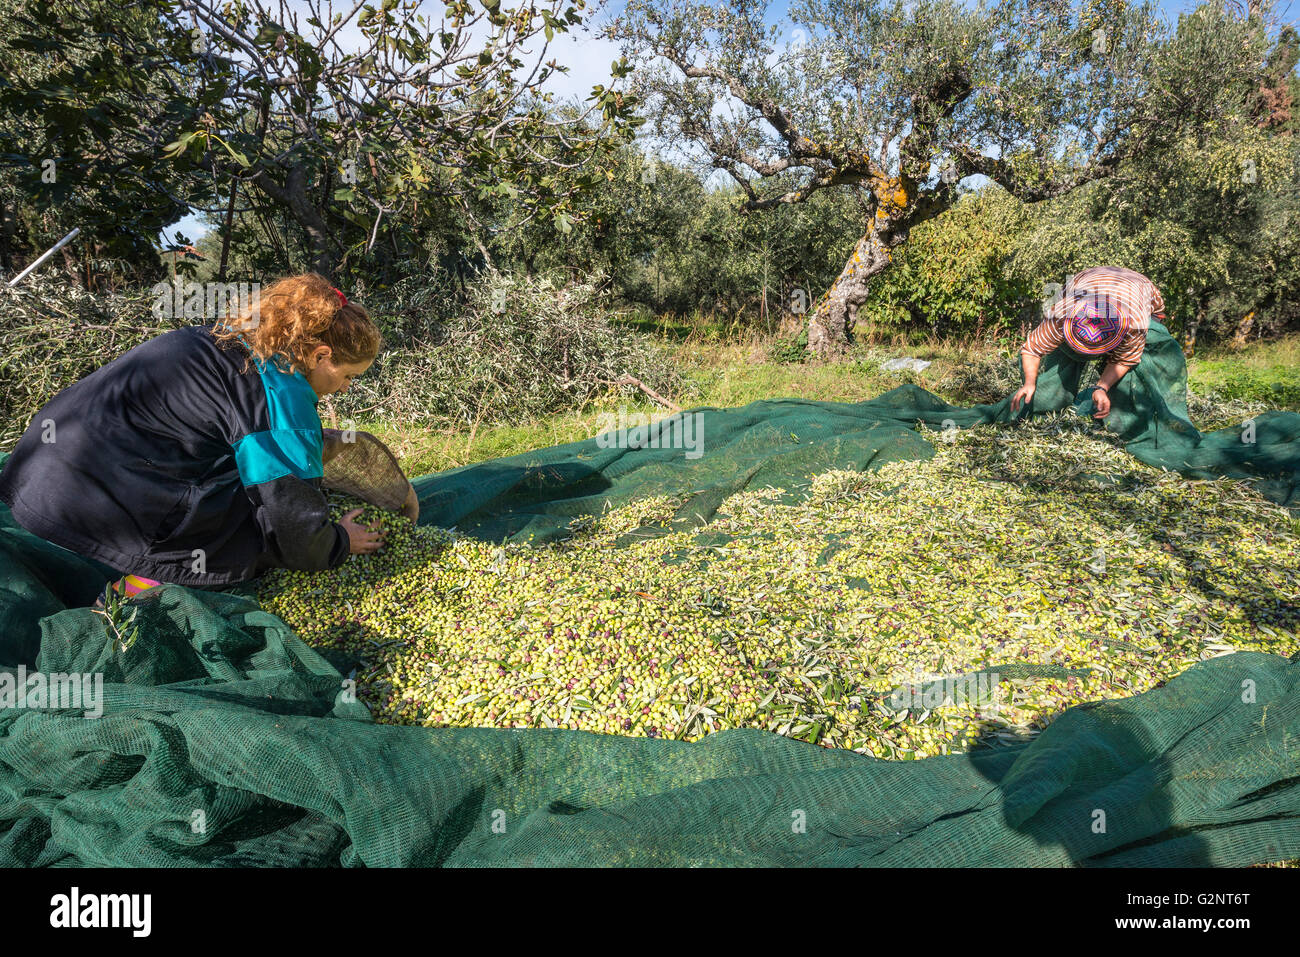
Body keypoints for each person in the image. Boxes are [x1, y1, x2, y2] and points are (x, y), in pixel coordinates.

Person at [0, 273, 387, 598]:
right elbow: (293, 524)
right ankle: (135, 589)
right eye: (349, 376)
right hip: (86, 497)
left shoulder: (225, 339)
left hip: (34, 471)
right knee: (246, 529)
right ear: (320, 355)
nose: (346, 389)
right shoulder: (281, 392)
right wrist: (338, 542)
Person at [1011, 266, 1167, 419]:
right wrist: (1029, 383)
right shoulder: (1061, 313)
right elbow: (1032, 350)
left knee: (1143, 358)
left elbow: (1125, 359)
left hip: (1139, 288)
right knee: (1063, 359)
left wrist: (1102, 387)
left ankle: (1128, 411)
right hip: (1088, 279)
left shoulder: (1135, 324)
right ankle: (1055, 399)